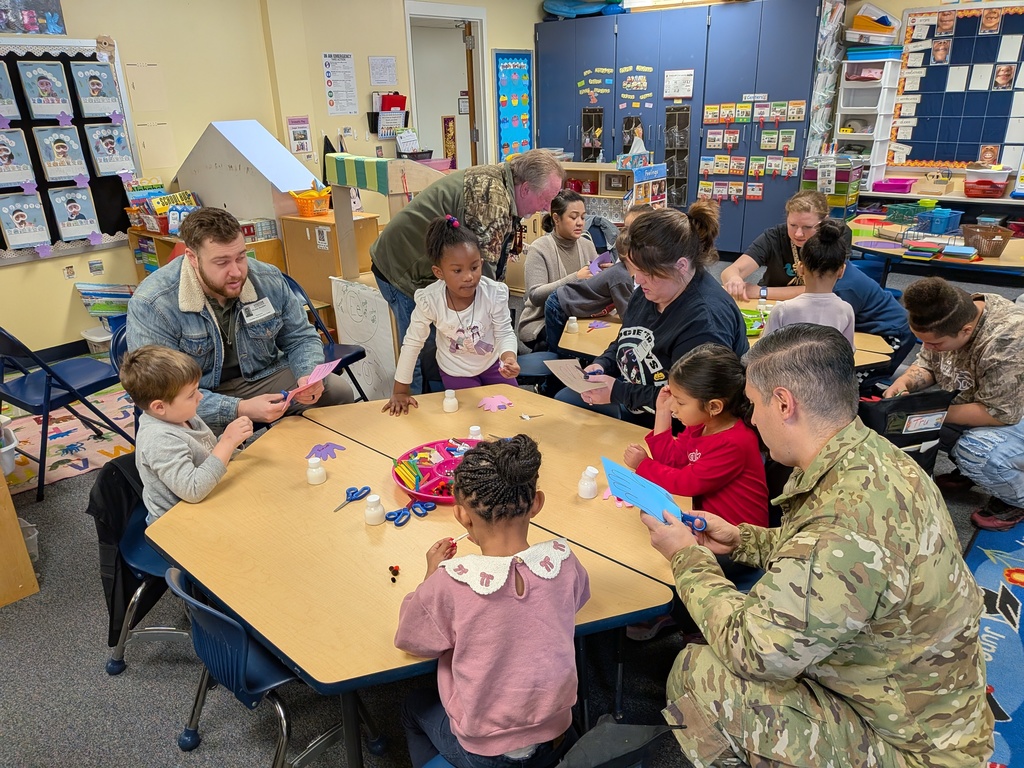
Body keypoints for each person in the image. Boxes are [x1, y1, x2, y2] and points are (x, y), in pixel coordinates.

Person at [643, 324, 992, 767]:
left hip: (912, 748)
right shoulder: (875, 458)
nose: (751, 418)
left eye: (753, 404)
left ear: (784, 403)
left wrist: (686, 556)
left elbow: (752, 651)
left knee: (701, 672)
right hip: (927, 708)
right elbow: (828, 558)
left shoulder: (843, 524)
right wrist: (744, 538)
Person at [395, 435, 590, 768]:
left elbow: (412, 640)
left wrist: (428, 578)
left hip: (485, 749)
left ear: (462, 516)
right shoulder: (564, 561)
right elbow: (578, 599)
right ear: (537, 503)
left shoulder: (450, 582)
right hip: (558, 733)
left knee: (411, 706)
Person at [127, 207, 352, 433]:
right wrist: (239, 408)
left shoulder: (267, 278)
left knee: (337, 391)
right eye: (222, 262)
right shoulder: (152, 303)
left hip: (261, 377)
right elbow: (161, 391)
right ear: (192, 258)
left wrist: (307, 375)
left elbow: (300, 338)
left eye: (241, 257)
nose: (236, 272)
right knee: (193, 445)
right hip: (193, 394)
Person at [371, 149, 564, 393]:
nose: (547, 208)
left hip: (426, 263)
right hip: (400, 267)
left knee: (452, 340)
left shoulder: (503, 183)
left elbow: (486, 276)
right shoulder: (493, 200)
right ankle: (413, 408)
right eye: (546, 198)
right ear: (525, 188)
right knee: (424, 346)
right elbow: (484, 275)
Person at [559, 202, 749, 425]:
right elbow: (627, 339)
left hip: (681, 435)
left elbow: (689, 401)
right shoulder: (653, 291)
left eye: (647, 272)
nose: (637, 280)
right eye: (635, 268)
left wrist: (618, 392)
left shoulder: (705, 320)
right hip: (642, 418)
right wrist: (603, 363)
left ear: (680, 266)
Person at [885, 277, 1024, 530]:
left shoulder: (1008, 340)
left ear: (966, 331)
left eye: (935, 343)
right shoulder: (950, 314)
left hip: (1013, 413)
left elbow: (1000, 413)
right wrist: (905, 383)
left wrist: (928, 411)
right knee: (908, 412)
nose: (927, 347)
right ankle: (970, 468)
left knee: (977, 452)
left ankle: (1016, 497)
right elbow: (927, 364)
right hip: (979, 401)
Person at [383, 215, 520, 416]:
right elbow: (412, 343)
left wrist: (509, 357)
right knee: (470, 419)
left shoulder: (494, 293)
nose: (468, 276)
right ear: (439, 272)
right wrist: (400, 390)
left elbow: (505, 332)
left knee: (512, 413)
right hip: (456, 371)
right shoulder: (430, 300)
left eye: (474, 267)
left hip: (493, 365)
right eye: (457, 270)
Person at [623, 343, 768, 527]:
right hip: (708, 526)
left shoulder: (735, 442)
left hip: (739, 539)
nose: (673, 407)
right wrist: (662, 412)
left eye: (680, 402)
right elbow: (671, 461)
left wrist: (643, 465)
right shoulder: (701, 425)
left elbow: (686, 482)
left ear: (714, 406)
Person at [119, 345, 253, 524]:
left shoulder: (182, 415)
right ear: (159, 407)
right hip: (177, 522)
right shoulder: (159, 440)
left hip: (207, 498)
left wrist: (233, 441)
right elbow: (193, 489)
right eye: (191, 395)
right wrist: (226, 443)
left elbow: (207, 454)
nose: (200, 397)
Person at [544, 204, 649, 353]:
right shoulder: (621, 276)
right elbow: (627, 314)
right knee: (558, 351)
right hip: (560, 305)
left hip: (571, 304)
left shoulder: (623, 271)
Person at [720, 189, 853, 301]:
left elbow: (826, 289)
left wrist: (761, 292)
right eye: (792, 225)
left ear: (824, 221)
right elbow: (731, 271)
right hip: (771, 304)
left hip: (810, 303)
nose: (798, 234)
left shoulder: (836, 236)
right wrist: (734, 279)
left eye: (807, 227)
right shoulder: (775, 236)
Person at [518, 189, 598, 349]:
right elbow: (535, 296)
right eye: (573, 217)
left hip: (580, 316)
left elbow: (595, 287)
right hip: (542, 321)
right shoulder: (540, 248)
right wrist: (576, 277)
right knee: (573, 343)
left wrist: (605, 275)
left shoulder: (587, 245)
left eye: (583, 217)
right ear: (556, 218)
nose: (580, 223)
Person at [762, 219, 855, 347]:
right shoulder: (846, 310)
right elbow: (848, 351)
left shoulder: (783, 310)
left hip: (787, 367)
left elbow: (763, 352)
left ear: (800, 268)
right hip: (828, 367)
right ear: (841, 271)